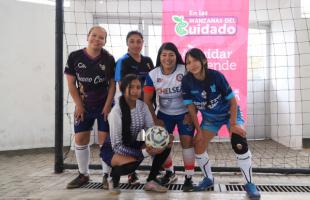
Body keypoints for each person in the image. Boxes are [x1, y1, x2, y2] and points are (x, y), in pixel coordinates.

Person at [181, 48, 260, 199]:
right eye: (188, 62)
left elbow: (233, 101)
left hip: (230, 113)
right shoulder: (186, 81)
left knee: (239, 142)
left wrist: (234, 124)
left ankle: (250, 183)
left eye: (195, 60)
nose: (192, 65)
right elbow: (191, 109)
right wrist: (198, 131)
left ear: (203, 60)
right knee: (198, 145)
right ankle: (208, 178)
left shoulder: (216, 76)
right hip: (210, 119)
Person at [64, 26, 115, 190]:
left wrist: (107, 106)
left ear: (105, 41)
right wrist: (78, 105)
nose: (97, 39)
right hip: (84, 105)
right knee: (80, 139)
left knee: (104, 140)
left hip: (104, 106)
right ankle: (83, 175)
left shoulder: (108, 59)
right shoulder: (74, 57)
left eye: (101, 37)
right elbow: (71, 84)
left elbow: (113, 85)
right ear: (88, 36)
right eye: (94, 35)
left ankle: (106, 176)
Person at [144, 42, 195, 192]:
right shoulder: (153, 74)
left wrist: (192, 114)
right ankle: (169, 173)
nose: (167, 58)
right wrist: (155, 119)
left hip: (184, 113)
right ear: (159, 57)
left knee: (187, 143)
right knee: (163, 143)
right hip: (164, 114)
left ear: (176, 56)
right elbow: (147, 100)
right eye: (164, 55)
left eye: (171, 55)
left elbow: (196, 91)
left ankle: (189, 178)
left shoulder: (184, 70)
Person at [108, 74, 172, 194]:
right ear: (123, 88)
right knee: (132, 164)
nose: (135, 91)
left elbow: (150, 130)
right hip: (113, 150)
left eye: (138, 87)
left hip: (132, 144)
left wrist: (163, 138)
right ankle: (113, 180)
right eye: (131, 87)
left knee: (166, 143)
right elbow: (116, 146)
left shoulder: (142, 106)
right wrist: (143, 152)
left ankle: (151, 181)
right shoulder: (116, 112)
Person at [114, 30, 154, 184]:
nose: (136, 44)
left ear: (142, 43)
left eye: (139, 41)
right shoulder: (123, 61)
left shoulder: (148, 61)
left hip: (148, 107)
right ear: (127, 43)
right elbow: (120, 85)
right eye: (132, 41)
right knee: (130, 141)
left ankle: (157, 172)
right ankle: (132, 172)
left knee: (152, 139)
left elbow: (153, 83)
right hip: (131, 109)